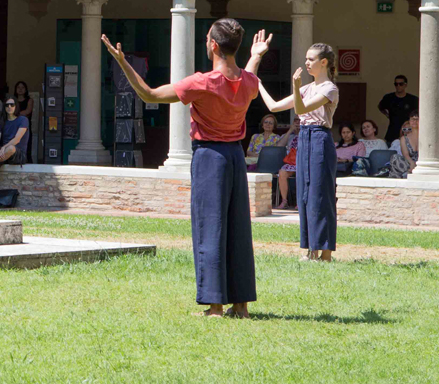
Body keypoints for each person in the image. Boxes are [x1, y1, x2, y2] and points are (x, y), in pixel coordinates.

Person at [102, 18, 264, 318]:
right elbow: (247, 75)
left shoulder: (202, 82)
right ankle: (240, 305)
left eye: (206, 39)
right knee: (238, 229)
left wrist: (122, 62)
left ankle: (215, 306)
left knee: (210, 227)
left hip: (209, 157)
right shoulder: (249, 83)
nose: (205, 42)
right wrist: (255, 55)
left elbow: (149, 94)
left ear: (213, 45)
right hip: (235, 158)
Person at [258, 40, 340, 262]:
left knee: (320, 194)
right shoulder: (307, 88)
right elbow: (273, 107)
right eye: (306, 58)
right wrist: (257, 84)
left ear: (323, 62)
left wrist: (295, 86)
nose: (306, 63)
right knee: (305, 194)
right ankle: (311, 250)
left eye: (311, 59)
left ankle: (325, 254)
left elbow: (301, 108)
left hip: (320, 139)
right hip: (303, 137)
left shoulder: (329, 88)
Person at [0, 97, 28, 203]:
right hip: (3, 153)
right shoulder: (1, 121)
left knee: (11, 148)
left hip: (17, 153)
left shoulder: (23, 120)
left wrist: (4, 147)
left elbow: (17, 139)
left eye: (12, 104)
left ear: (16, 106)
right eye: (7, 105)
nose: (9, 107)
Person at [377, 75, 418, 145]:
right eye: (396, 84)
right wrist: (387, 115)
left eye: (401, 84)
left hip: (408, 132)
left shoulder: (413, 99)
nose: (398, 86)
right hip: (392, 132)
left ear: (405, 85)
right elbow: (380, 107)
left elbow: (418, 113)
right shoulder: (389, 97)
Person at [275, 121, 301, 211]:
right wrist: (290, 131)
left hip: (302, 161)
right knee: (282, 172)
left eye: (299, 120)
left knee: (301, 173)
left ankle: (300, 202)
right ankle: (284, 201)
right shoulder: (289, 136)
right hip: (290, 162)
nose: (297, 123)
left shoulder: (307, 133)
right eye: (295, 120)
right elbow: (279, 146)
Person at [389, 111, 420, 177]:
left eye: (417, 119)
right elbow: (406, 155)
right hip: (409, 163)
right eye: (412, 119)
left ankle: (407, 174)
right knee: (395, 157)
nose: (414, 121)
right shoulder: (404, 138)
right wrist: (412, 164)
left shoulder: (426, 137)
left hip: (422, 164)